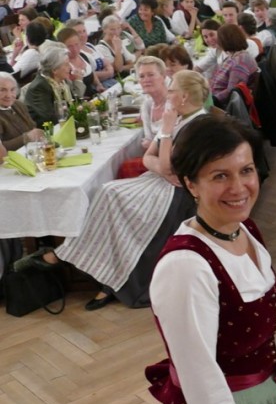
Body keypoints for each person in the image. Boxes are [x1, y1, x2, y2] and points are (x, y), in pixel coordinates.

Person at [143, 115, 276, 404]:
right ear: (191, 183)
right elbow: (202, 383)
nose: (239, 188)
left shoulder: (245, 230)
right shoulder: (186, 267)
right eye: (220, 176)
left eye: (246, 170)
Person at [28, 71, 209, 310]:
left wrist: (164, 134)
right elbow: (149, 159)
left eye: (172, 89)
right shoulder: (180, 118)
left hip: (177, 194)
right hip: (160, 181)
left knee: (113, 197)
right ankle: (94, 269)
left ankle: (74, 260)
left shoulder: (196, 125)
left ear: (184, 97)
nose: (169, 93)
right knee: (106, 192)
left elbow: (165, 165)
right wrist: (162, 166)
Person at [23, 43, 79, 128]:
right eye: (66, 64)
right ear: (54, 70)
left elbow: (72, 104)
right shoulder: (39, 87)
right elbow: (49, 117)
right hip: (46, 131)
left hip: (63, 125)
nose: (70, 68)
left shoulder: (62, 82)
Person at [211, 24, 259, 106]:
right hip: (217, 96)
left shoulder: (239, 63)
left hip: (222, 105)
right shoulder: (237, 55)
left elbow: (232, 91)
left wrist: (212, 100)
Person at [0, 72, 44, 151]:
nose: (9, 95)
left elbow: (32, 127)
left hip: (32, 153)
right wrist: (26, 138)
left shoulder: (18, 105)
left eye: (12, 89)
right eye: (2, 90)